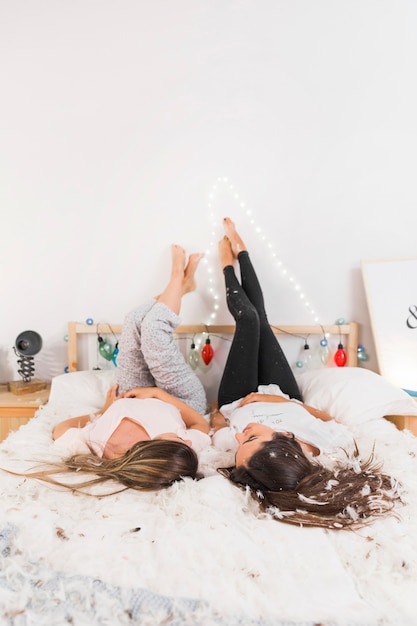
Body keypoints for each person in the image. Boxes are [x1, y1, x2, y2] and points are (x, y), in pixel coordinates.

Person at [210, 218, 400, 529]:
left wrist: (225, 414)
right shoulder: (325, 443)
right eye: (252, 436)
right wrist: (281, 404)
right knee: (263, 320)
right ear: (287, 437)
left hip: (237, 396)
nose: (238, 435)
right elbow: (331, 419)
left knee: (249, 320)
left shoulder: (239, 453)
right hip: (284, 396)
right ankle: (243, 252)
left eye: (240, 441)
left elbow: (216, 420)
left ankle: (227, 266)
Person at [24, 245, 211, 494]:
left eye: (180, 439)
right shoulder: (181, 454)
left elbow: (60, 431)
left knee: (133, 319)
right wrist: (159, 396)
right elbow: (200, 425)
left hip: (129, 393)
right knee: (154, 329)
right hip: (182, 400)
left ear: (151, 445)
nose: (188, 440)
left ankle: (180, 286)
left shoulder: (101, 446)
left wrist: (103, 411)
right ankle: (177, 278)